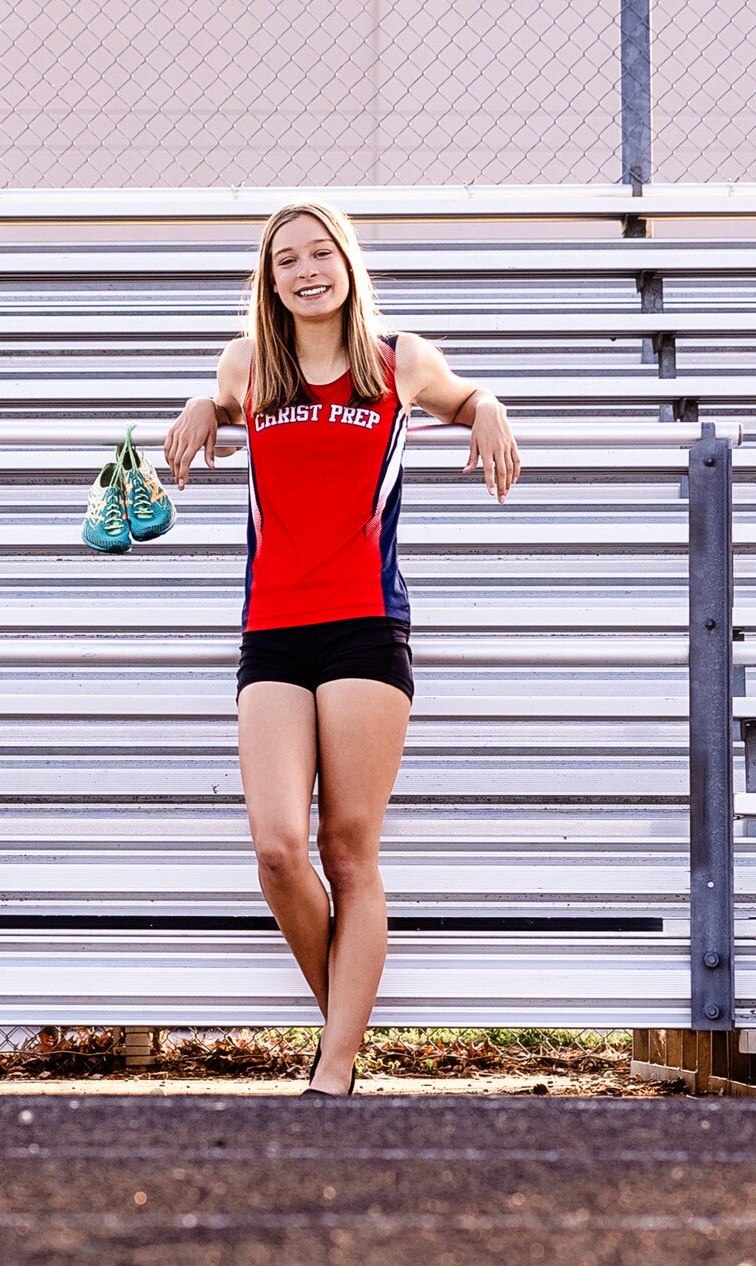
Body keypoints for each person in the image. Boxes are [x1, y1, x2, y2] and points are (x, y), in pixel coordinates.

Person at [163, 200, 520, 1097]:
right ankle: (347, 1030)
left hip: (366, 622)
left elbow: (466, 395)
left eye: (321, 252)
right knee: (280, 848)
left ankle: (333, 1070)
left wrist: (490, 410)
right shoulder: (249, 365)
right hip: (273, 628)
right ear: (269, 279)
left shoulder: (397, 360)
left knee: (349, 851)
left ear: (348, 263)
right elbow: (215, 394)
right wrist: (199, 407)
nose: (306, 269)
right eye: (287, 259)